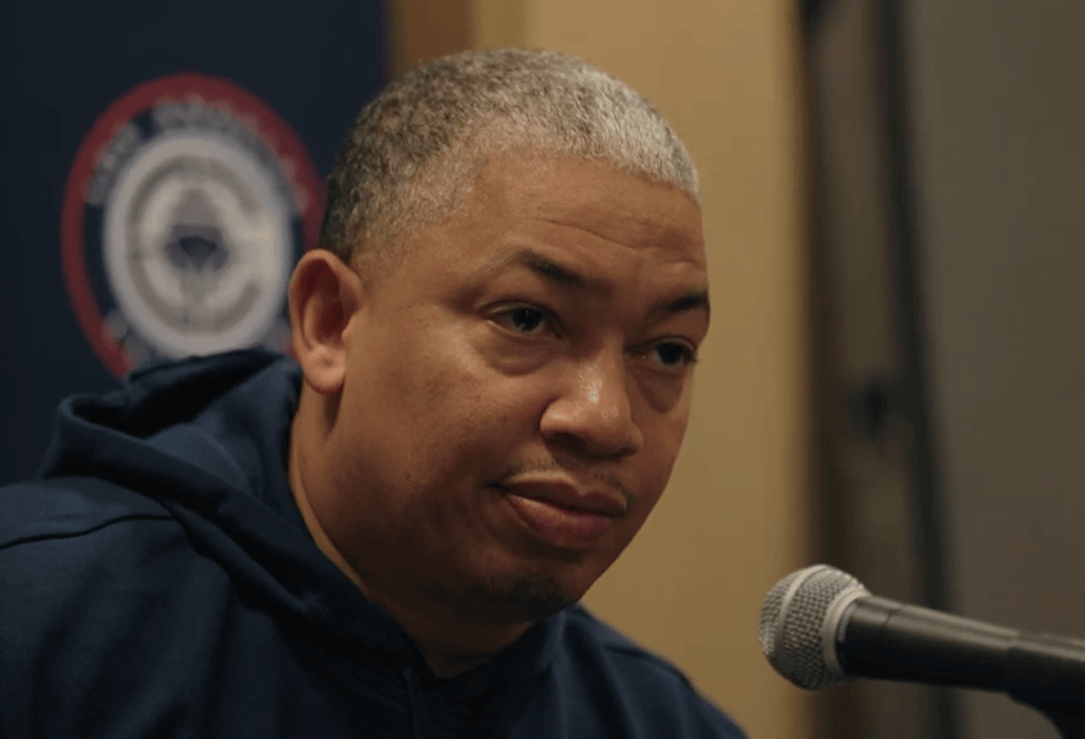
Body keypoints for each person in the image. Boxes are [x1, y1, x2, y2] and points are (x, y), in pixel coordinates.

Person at [0, 48, 745, 738]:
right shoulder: (35, 624)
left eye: (667, 351)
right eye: (526, 319)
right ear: (330, 323)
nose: (607, 419)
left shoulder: (666, 724)